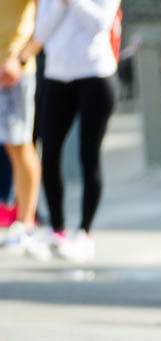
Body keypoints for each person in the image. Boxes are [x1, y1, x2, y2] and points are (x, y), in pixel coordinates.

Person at [16, 0, 120, 262]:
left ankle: (85, 231)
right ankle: (57, 230)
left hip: (95, 74)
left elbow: (99, 23)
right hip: (57, 76)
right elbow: (42, 30)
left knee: (89, 156)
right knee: (49, 154)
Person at [0, 0, 43, 258]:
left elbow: (46, 20)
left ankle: (26, 222)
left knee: (19, 144)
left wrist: (22, 59)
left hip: (13, 74)